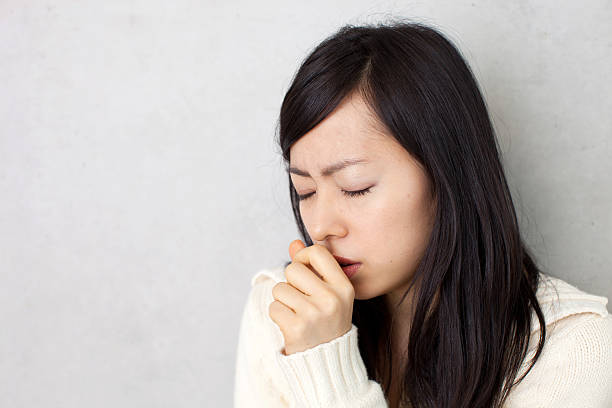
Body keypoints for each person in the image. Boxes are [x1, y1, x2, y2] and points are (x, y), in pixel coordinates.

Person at [233, 20, 612, 408]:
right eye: (305, 191)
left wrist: (325, 362)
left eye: (355, 186)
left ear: (447, 176)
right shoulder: (279, 309)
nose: (321, 226)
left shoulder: (569, 346)